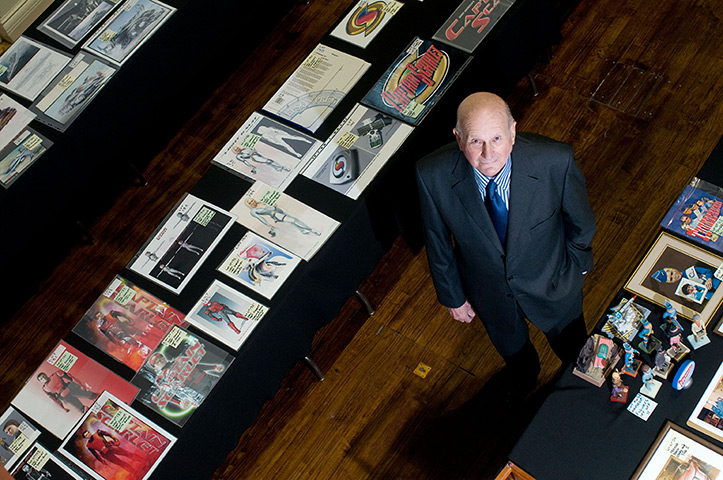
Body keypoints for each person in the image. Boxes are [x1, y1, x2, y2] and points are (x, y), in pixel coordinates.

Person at [415, 92, 596, 395]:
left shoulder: (554, 161)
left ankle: (581, 391)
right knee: (517, 359)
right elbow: (437, 243)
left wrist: (577, 268)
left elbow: (581, 221)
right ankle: (526, 381)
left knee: (576, 352)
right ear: (458, 138)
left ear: (513, 132)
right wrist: (453, 296)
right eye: (475, 141)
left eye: (497, 138)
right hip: (490, 295)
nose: (488, 153)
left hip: (554, 287)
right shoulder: (431, 176)